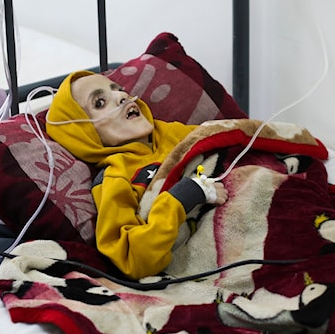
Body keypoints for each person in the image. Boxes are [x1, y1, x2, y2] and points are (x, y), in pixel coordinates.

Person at [46, 71, 227, 279]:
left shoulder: (169, 132)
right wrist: (182, 197)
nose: (122, 96)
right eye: (100, 103)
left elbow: (241, 136)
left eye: (119, 89)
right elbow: (132, 258)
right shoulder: (116, 177)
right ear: (83, 134)